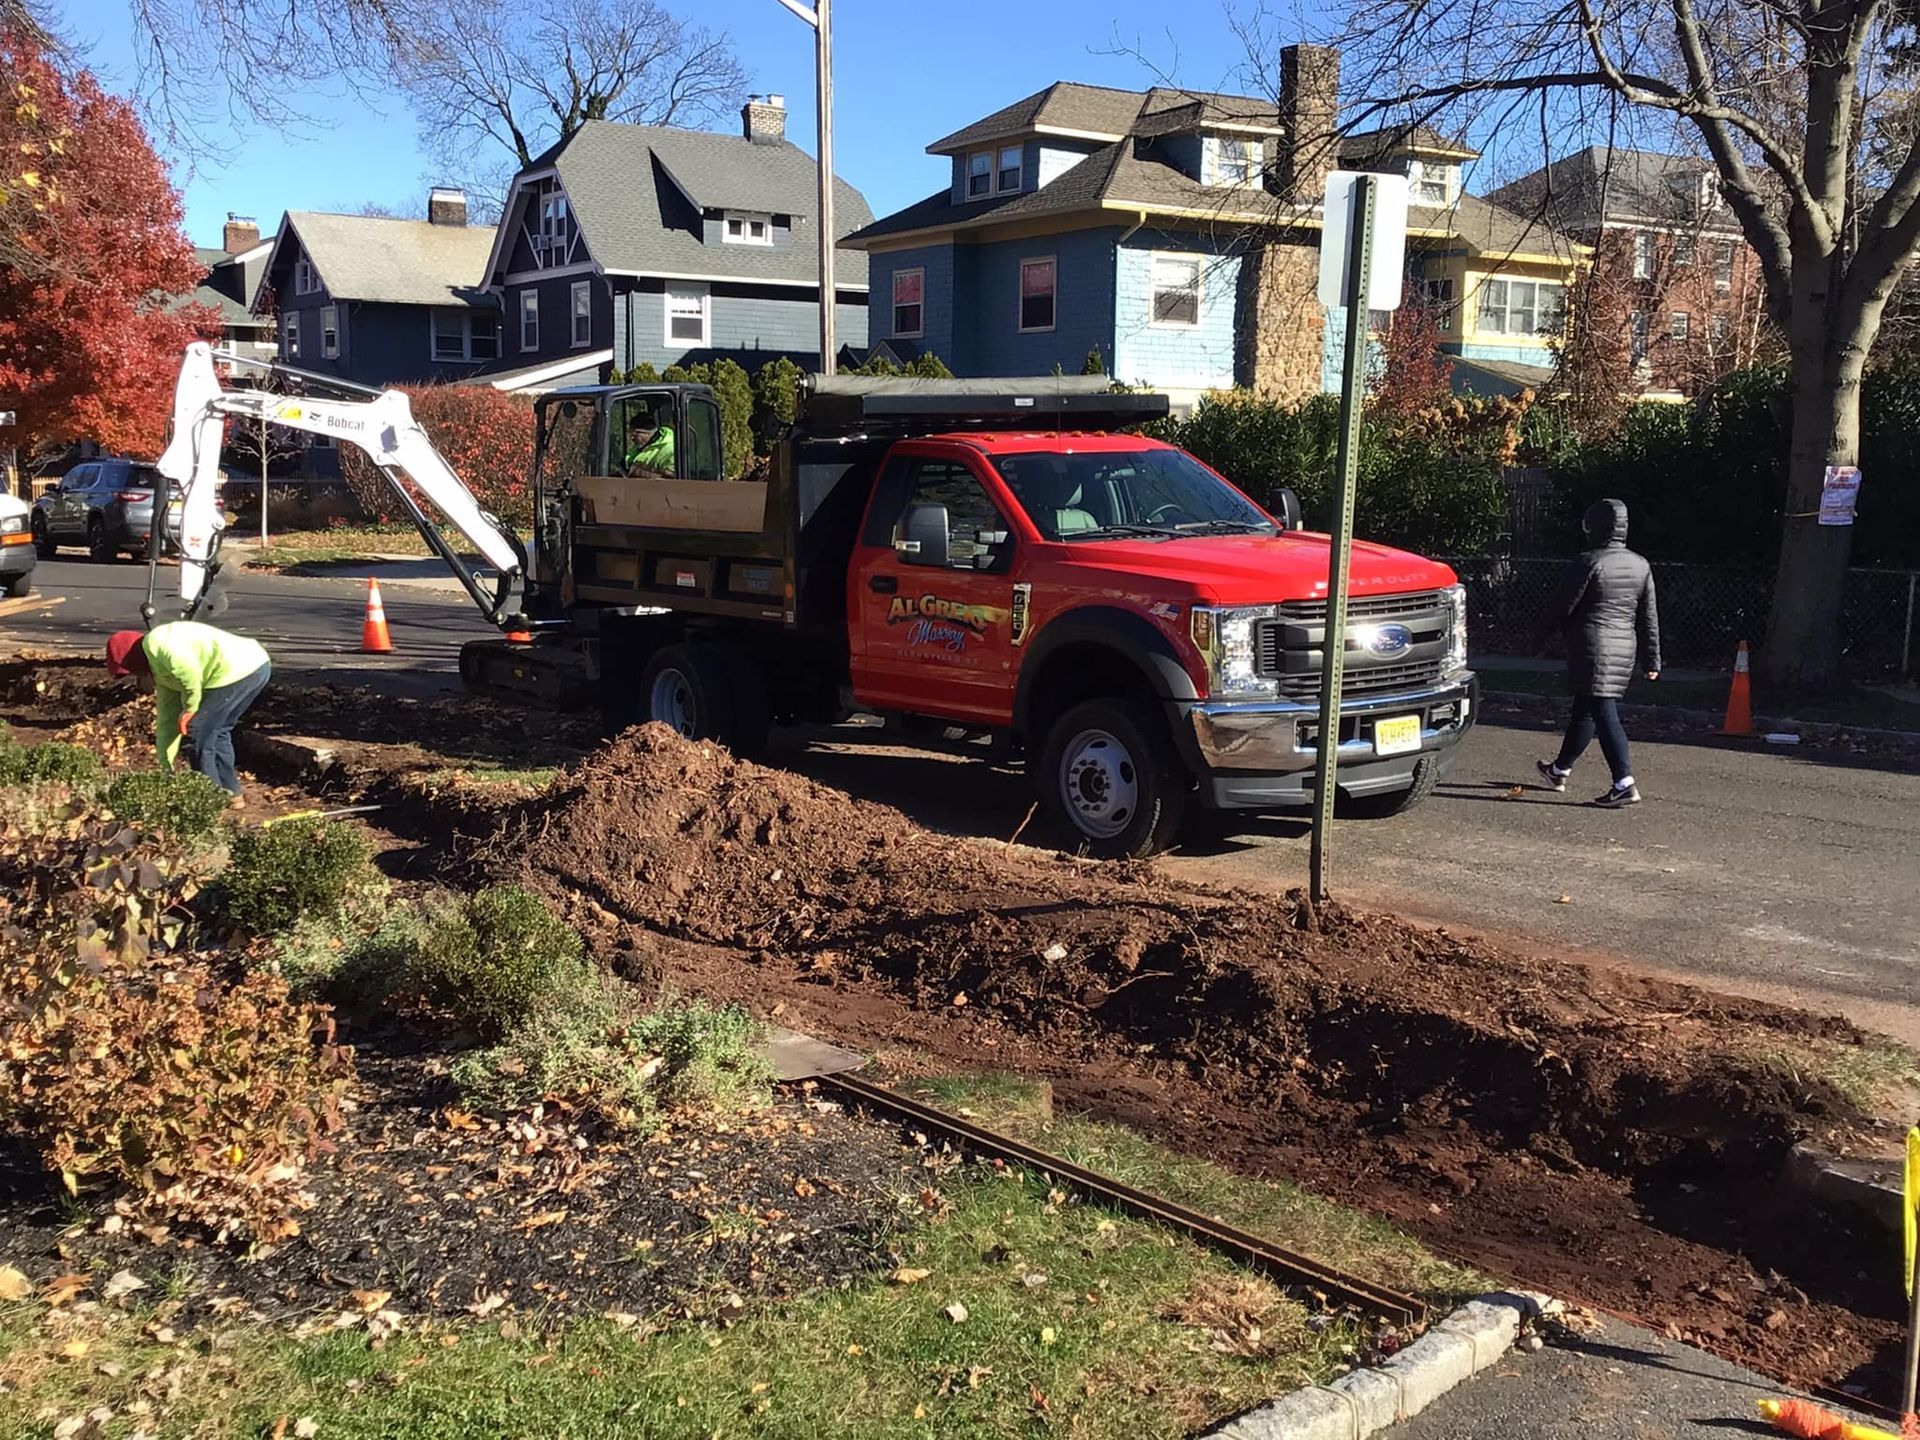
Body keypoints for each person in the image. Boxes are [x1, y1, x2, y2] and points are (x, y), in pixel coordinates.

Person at [1531, 498, 1662, 808]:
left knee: (1603, 712)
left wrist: (1538, 638)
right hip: (1623, 646)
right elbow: (1649, 616)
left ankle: (1624, 782)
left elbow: (1563, 606)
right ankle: (1558, 770)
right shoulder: (1640, 564)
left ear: (1596, 526)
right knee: (1586, 709)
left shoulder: (1589, 561)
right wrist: (1652, 659)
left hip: (1591, 645)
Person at [105, 621, 272, 802]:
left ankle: (209, 800)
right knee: (218, 731)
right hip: (255, 666)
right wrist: (166, 765)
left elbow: (188, 672)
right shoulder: (163, 675)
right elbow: (167, 720)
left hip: (238, 669)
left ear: (134, 658)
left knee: (198, 731)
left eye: (131, 670)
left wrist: (191, 709)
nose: (136, 676)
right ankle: (231, 794)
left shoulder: (157, 643)